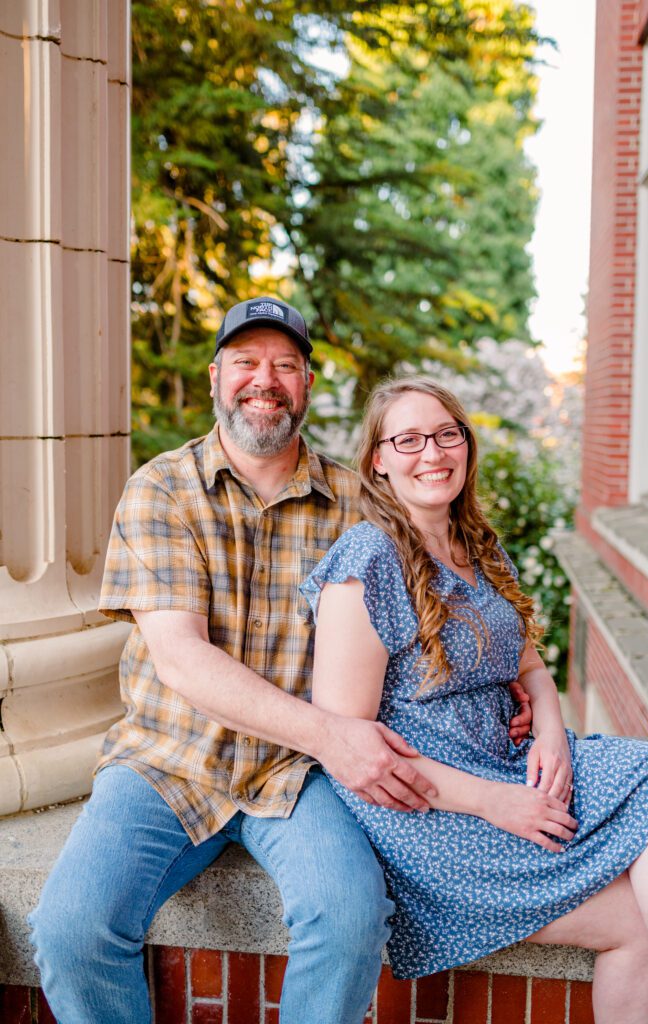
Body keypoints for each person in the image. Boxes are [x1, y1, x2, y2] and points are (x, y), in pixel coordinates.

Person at [28, 298, 532, 1024]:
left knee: (351, 921)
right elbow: (182, 659)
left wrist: (501, 679)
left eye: (284, 366)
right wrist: (334, 734)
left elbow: (441, 607)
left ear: (306, 385)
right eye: (246, 362)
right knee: (72, 931)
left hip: (302, 775)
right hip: (170, 760)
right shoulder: (160, 489)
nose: (264, 379)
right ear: (215, 378)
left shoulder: (363, 505)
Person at [302, 375, 648, 1024]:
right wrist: (495, 802)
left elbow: (527, 660)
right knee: (638, 920)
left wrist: (551, 729)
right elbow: (350, 750)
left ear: (467, 447)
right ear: (378, 461)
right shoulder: (366, 561)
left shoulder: (476, 542)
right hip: (432, 809)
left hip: (511, 763)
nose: (433, 453)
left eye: (447, 435)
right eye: (410, 440)